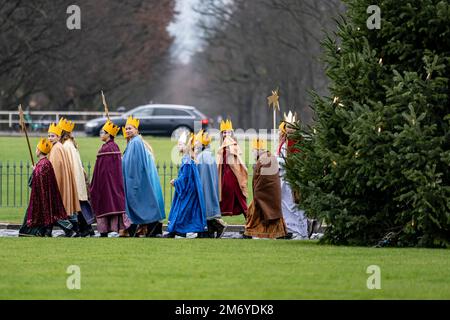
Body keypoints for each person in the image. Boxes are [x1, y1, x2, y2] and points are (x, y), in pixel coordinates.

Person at [122, 116, 165, 237]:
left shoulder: (136, 143)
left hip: (134, 181)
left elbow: (136, 164)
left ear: (136, 130)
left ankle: (148, 228)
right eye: (126, 128)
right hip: (132, 180)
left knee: (140, 205)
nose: (128, 130)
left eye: (130, 128)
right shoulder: (133, 142)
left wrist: (133, 181)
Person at [18, 139, 68, 237]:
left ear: (40, 151)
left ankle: (67, 229)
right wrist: (35, 169)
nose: (35, 150)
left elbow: (35, 183)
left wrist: (35, 170)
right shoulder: (45, 163)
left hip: (41, 197)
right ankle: (46, 230)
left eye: (36, 148)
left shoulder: (42, 165)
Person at [90, 120, 131, 237]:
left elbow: (104, 170)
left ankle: (104, 231)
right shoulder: (114, 146)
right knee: (110, 205)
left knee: (105, 205)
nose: (100, 134)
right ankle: (110, 229)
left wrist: (96, 183)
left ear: (109, 134)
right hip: (112, 185)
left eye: (103, 132)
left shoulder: (106, 149)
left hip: (105, 185)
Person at [58, 117, 95, 237]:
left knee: (77, 206)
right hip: (76, 178)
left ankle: (82, 229)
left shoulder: (66, 146)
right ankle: (87, 229)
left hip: (73, 179)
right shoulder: (69, 144)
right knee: (79, 205)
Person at [244, 139, 287, 239]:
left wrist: (257, 195)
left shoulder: (264, 159)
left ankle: (260, 234)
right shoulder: (268, 157)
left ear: (258, 150)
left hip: (264, 195)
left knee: (259, 216)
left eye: (253, 151)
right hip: (270, 195)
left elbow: (263, 182)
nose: (253, 154)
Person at [166, 132, 207, 238]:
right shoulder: (188, 158)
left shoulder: (187, 160)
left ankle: (179, 231)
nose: (178, 146)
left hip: (188, 190)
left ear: (187, 146)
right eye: (178, 144)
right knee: (185, 210)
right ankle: (179, 231)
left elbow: (185, 177)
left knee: (182, 210)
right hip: (190, 189)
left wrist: (175, 182)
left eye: (180, 144)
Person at [277, 112, 309, 240]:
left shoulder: (298, 142)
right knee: (284, 204)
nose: (289, 129)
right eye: (288, 127)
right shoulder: (284, 141)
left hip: (294, 179)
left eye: (292, 127)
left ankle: (301, 232)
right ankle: (289, 229)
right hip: (283, 178)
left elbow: (297, 160)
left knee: (296, 205)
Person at [47, 122, 80, 237]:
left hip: (57, 185)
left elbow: (54, 170)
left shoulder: (57, 149)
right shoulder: (59, 147)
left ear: (59, 136)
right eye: (49, 136)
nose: (50, 138)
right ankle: (49, 231)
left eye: (52, 136)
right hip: (59, 184)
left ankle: (70, 230)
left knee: (55, 210)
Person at [193, 130, 226, 238]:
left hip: (204, 187)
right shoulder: (209, 154)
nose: (195, 144)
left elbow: (199, 175)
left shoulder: (202, 156)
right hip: (210, 186)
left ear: (202, 144)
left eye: (197, 142)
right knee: (207, 210)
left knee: (205, 209)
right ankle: (209, 232)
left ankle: (217, 227)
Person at [216, 119, 248, 217]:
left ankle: (249, 219)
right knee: (228, 197)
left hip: (233, 175)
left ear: (232, 133)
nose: (227, 134)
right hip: (225, 175)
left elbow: (234, 160)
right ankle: (216, 219)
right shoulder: (222, 146)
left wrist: (229, 148)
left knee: (239, 197)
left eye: (229, 132)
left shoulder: (233, 145)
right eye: (225, 132)